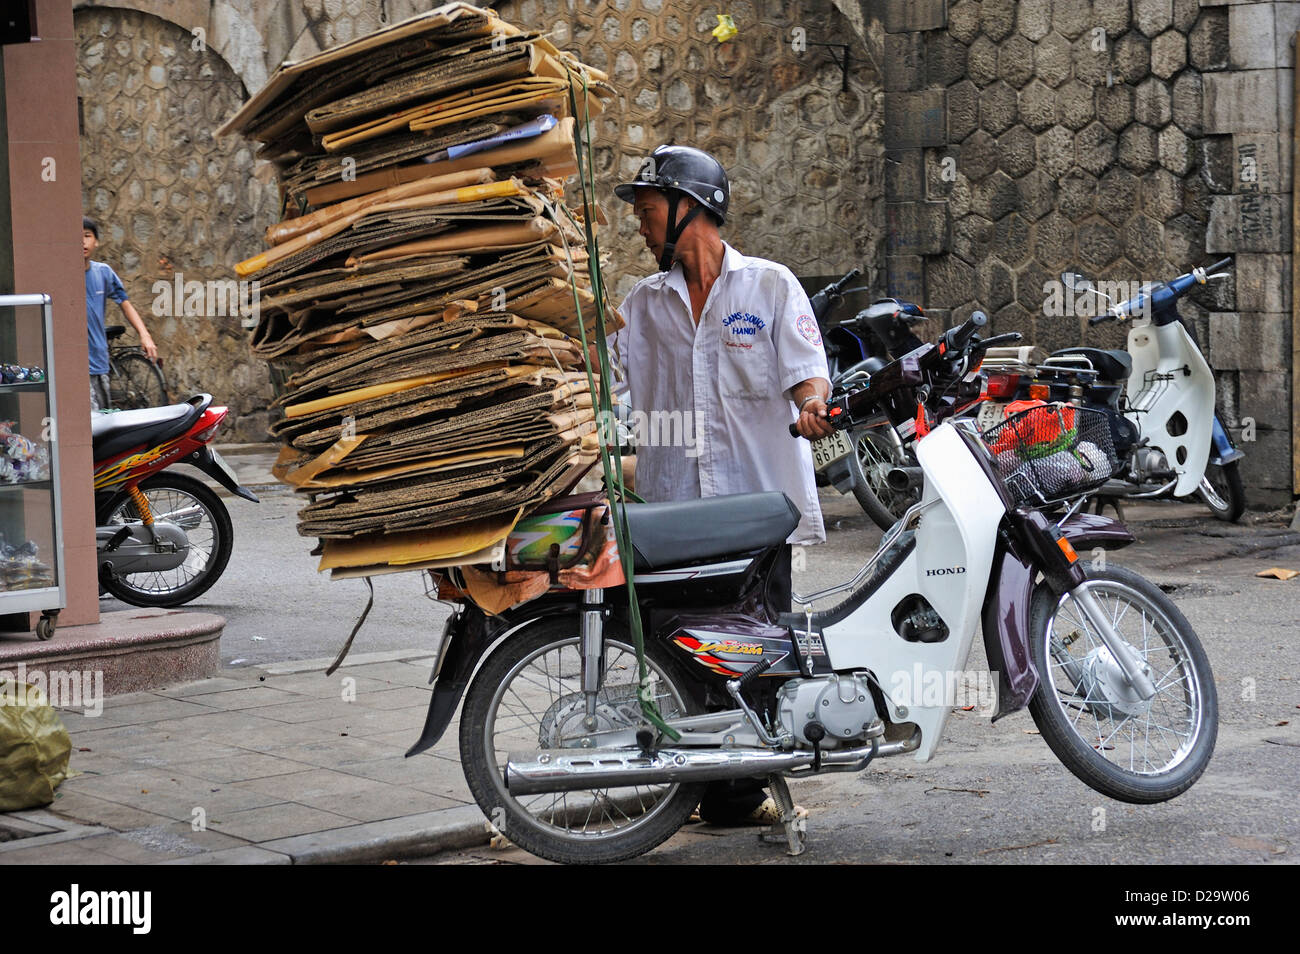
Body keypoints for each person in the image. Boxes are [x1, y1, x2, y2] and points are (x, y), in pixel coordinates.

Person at [612, 144, 832, 823]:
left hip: (758, 518)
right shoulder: (640, 307)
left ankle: (742, 795)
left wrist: (813, 405)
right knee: (686, 656)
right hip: (678, 519)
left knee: (760, 655)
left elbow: (807, 370)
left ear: (691, 209)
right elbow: (608, 387)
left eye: (650, 212)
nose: (642, 228)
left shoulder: (769, 287)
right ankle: (711, 792)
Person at [83, 216, 156, 411]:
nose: (82, 241)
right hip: (77, 366)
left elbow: (125, 303)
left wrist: (145, 334)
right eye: (77, 236)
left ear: (96, 241)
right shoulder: (64, 274)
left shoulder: (103, 273)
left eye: (87, 236)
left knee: (103, 419)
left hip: (99, 361)